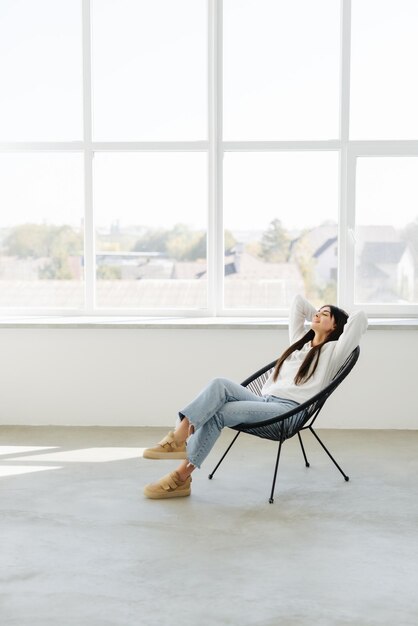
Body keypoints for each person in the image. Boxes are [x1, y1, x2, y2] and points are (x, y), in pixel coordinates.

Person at [142, 294, 368, 499]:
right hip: (264, 402)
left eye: (324, 314)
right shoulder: (299, 343)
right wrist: (320, 317)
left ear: (336, 325)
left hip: (288, 412)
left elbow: (360, 319)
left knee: (219, 413)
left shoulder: (334, 352)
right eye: (317, 312)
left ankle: (181, 476)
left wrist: (335, 320)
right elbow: (298, 303)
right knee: (219, 384)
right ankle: (179, 438)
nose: (317, 314)